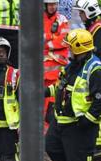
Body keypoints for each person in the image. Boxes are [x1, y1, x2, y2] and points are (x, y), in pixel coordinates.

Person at [45, 29, 101, 161]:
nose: (68, 51)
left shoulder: (95, 69)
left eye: (71, 48)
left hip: (80, 125)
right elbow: (61, 86)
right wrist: (44, 92)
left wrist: (87, 121)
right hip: (62, 121)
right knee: (51, 147)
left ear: (80, 49)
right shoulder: (72, 65)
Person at [74, 0, 101, 150]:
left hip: (99, 72)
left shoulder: (99, 30)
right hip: (94, 71)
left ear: (89, 12)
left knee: (100, 106)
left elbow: (97, 52)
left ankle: (99, 142)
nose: (79, 15)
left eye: (81, 12)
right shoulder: (91, 28)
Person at [43, 0, 70, 131]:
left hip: (55, 76)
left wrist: (46, 42)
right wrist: (52, 37)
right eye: (50, 4)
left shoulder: (62, 19)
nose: (52, 7)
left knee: (52, 107)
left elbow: (64, 41)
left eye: (54, 4)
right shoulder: (38, 19)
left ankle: (49, 135)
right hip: (41, 75)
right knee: (38, 107)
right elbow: (33, 39)